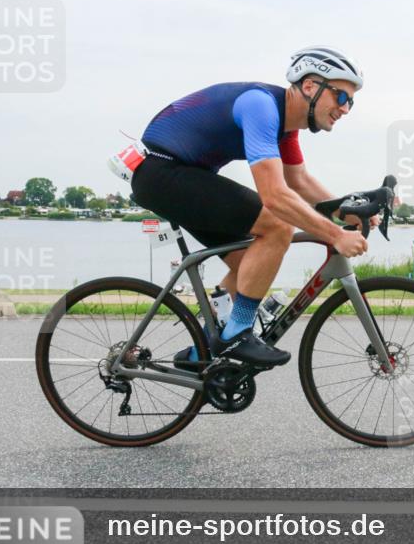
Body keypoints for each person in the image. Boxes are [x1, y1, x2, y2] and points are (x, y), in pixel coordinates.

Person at [129, 46, 373, 369]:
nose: (345, 109)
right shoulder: (261, 107)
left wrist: (350, 210)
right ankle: (237, 334)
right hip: (162, 171)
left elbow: (299, 182)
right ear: (311, 85)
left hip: (176, 174)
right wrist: (334, 234)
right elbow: (274, 196)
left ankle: (202, 352)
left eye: (351, 102)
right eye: (342, 97)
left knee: (251, 264)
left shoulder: (286, 127)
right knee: (277, 225)